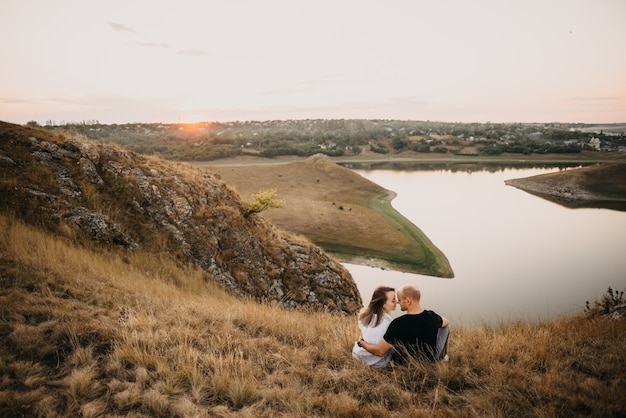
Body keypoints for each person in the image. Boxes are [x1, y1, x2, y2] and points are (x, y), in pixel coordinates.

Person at [357, 284, 449, 364]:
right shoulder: (431, 316)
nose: (397, 302)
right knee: (445, 329)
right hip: (430, 362)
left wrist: (361, 342)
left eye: (399, 299)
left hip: (406, 365)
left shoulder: (397, 324)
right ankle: (442, 357)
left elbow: (380, 352)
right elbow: (446, 322)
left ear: (408, 301)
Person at [352, 286, 397, 368]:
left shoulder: (365, 315)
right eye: (393, 300)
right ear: (383, 304)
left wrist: (361, 342)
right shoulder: (390, 323)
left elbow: (361, 335)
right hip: (375, 363)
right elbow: (380, 352)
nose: (396, 302)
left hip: (357, 355)